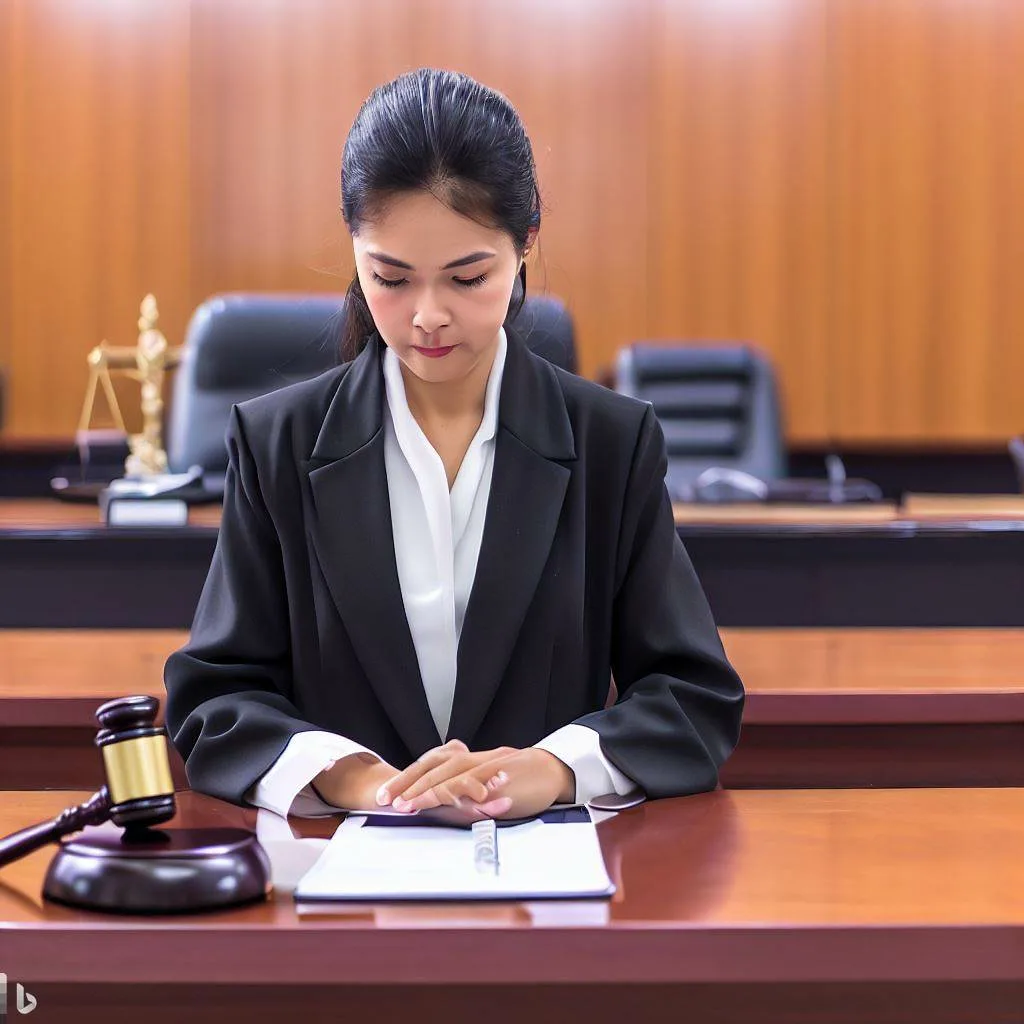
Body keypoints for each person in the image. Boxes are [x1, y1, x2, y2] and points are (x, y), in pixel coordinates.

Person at [164, 68, 744, 823]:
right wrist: (357, 780)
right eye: (391, 278)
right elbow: (216, 698)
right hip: (338, 875)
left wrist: (554, 769)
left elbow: (692, 698)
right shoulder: (278, 443)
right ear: (354, 249)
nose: (427, 317)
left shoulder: (611, 443)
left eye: (468, 277)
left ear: (526, 241)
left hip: (546, 880)